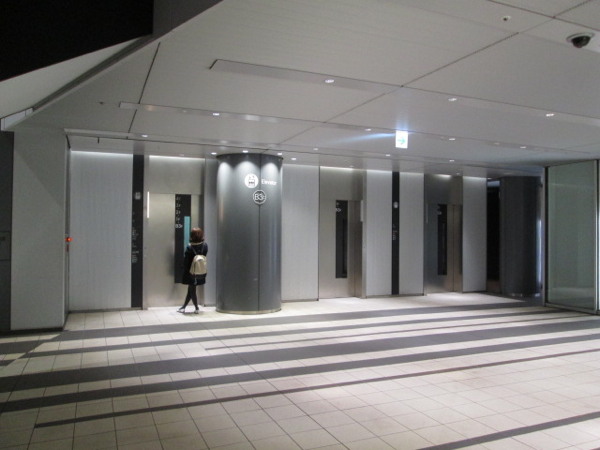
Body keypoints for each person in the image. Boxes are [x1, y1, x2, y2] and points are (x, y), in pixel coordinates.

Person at [178, 227, 208, 314]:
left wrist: (183, 268)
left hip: (191, 272)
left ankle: (196, 308)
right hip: (201, 271)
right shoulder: (205, 245)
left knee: (192, 290)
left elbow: (186, 261)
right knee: (191, 289)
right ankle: (183, 307)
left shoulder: (189, 247)